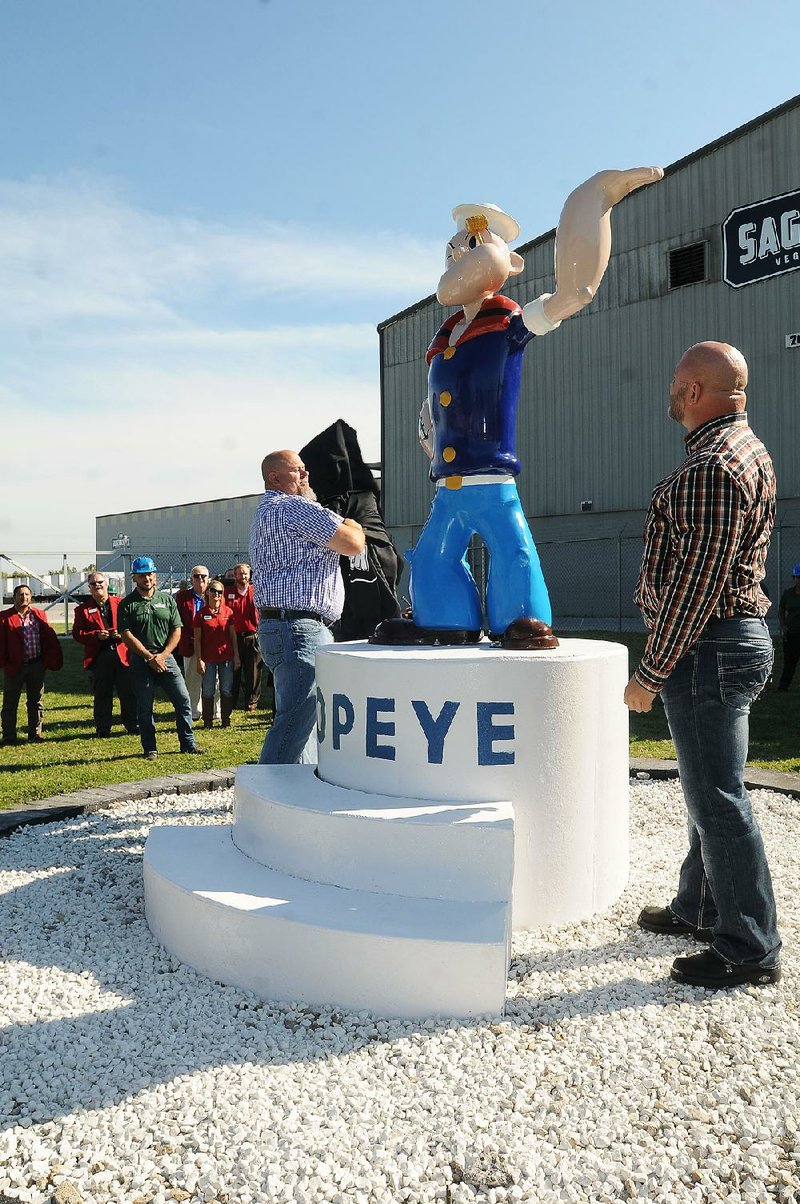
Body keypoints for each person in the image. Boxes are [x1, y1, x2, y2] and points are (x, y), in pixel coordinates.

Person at [375, 168, 663, 650]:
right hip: (448, 480)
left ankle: (521, 619)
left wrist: (592, 203)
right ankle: (445, 619)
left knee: (513, 550)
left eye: (472, 248)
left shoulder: (508, 323)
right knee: (432, 559)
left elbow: (571, 296)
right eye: (455, 251)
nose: (458, 257)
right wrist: (433, 436)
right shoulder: (444, 341)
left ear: (510, 263)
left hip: (490, 476)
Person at [625, 341, 781, 989]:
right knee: (707, 786)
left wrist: (650, 672)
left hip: (707, 649)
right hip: (726, 644)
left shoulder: (713, 466)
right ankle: (699, 905)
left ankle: (748, 945)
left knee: (717, 799)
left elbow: (698, 584)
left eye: (673, 380)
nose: (669, 390)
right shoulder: (745, 450)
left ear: (693, 390)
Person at [250, 449, 366, 764]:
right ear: (275, 477)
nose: (306, 475)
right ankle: (268, 798)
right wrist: (352, 522)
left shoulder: (266, 511)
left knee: (303, 724)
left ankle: (294, 797)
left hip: (282, 628)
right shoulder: (293, 508)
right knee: (294, 726)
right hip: (300, 629)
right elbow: (354, 543)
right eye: (298, 470)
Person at [118, 556, 202, 761]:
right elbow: (126, 635)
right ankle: (150, 749)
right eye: (142, 575)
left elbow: (177, 629)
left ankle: (188, 744)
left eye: (150, 574)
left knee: (183, 700)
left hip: (166, 658)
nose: (147, 578)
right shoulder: (127, 604)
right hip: (141, 658)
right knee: (145, 706)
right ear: (134, 578)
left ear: (155, 576)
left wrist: (163, 655)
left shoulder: (166, 600)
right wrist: (148, 657)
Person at [72, 572, 138, 737]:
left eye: (100, 582)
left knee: (128, 692)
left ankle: (132, 724)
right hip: (99, 656)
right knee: (102, 694)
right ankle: (103, 728)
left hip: (122, 654)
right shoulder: (82, 610)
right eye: (93, 584)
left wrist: (121, 633)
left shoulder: (121, 603)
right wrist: (95, 635)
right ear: (89, 587)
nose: (97, 586)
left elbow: (133, 625)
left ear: (107, 584)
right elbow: (77, 634)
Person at [0, 585, 63, 744]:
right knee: (10, 703)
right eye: (20, 594)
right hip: (15, 666)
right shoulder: (4, 617)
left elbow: (47, 638)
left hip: (36, 665)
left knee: (36, 701)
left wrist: (47, 660)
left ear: (31, 596)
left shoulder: (39, 615)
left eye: (27, 594)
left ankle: (35, 734)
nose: (24, 597)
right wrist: (5, 663)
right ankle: (9, 736)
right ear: (14, 597)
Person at [175, 566, 219, 720]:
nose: (200, 579)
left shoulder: (216, 595)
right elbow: (177, 621)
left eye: (203, 576)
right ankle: (194, 711)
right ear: (191, 578)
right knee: (192, 679)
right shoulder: (182, 597)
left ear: (209, 577)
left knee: (215, 679)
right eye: (196, 576)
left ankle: (215, 711)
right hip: (190, 644)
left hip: (212, 644)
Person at [194, 579, 239, 728]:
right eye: (213, 590)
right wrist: (199, 659)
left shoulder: (228, 612)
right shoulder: (201, 614)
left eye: (220, 592)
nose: (216, 594)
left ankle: (226, 720)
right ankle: (208, 721)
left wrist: (236, 656)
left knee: (226, 689)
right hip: (208, 658)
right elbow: (198, 640)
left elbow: (233, 636)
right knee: (208, 690)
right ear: (208, 592)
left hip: (226, 657)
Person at [224, 563, 265, 711]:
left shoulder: (257, 591)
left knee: (253, 671)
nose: (243, 576)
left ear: (250, 576)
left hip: (252, 636)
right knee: (233, 672)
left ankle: (252, 702)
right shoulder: (227, 593)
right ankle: (231, 701)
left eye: (246, 573)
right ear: (235, 576)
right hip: (233, 638)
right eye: (240, 574)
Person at [776, 563, 800, 690]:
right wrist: (783, 625)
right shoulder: (788, 594)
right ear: (794, 578)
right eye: (798, 577)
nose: (799, 580)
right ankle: (783, 686)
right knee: (789, 662)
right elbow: (781, 609)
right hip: (792, 633)